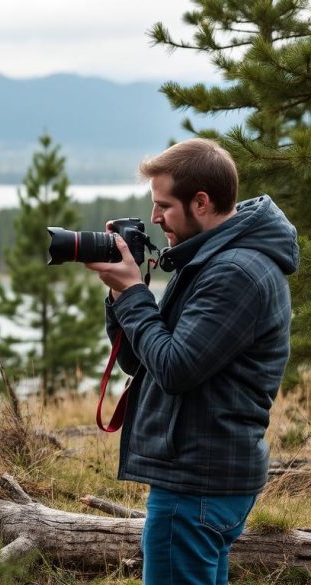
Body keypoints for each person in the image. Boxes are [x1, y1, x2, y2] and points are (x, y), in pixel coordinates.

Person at [84, 138, 298, 585]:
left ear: (201, 201)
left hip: (196, 481)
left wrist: (135, 294)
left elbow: (175, 368)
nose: (156, 217)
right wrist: (120, 293)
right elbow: (140, 360)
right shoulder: (210, 260)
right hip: (203, 475)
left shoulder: (234, 272)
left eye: (164, 205)